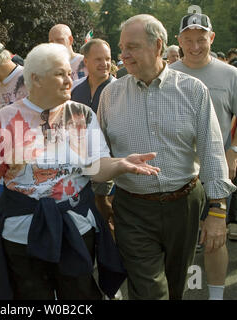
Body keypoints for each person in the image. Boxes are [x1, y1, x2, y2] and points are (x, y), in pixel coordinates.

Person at [0, 42, 161, 300]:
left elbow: (96, 167)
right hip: (22, 231)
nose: (69, 79)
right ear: (36, 79)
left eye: (69, 73)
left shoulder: (81, 114)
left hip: (74, 226)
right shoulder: (6, 118)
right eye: (60, 73)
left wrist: (120, 165)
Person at [97, 14, 236, 300]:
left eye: (132, 47)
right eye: (122, 47)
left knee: (175, 288)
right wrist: (101, 200)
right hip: (132, 209)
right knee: (149, 291)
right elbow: (99, 153)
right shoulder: (110, 95)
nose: (123, 55)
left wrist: (217, 211)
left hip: (183, 205)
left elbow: (211, 151)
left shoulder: (193, 90)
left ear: (158, 46)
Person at [170, 12, 237, 300]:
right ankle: (176, 292)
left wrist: (233, 151)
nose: (195, 46)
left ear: (211, 38)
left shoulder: (230, 75)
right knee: (177, 239)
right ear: (179, 41)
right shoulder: (167, 74)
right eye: (188, 40)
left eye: (201, 39)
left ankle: (216, 295)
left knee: (214, 236)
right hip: (176, 169)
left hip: (216, 169)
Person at [71, 38, 117, 236]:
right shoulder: (75, 88)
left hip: (109, 160)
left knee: (103, 202)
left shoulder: (119, 89)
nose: (104, 64)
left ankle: (113, 243)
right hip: (79, 161)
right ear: (86, 61)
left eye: (107, 59)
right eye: (98, 59)